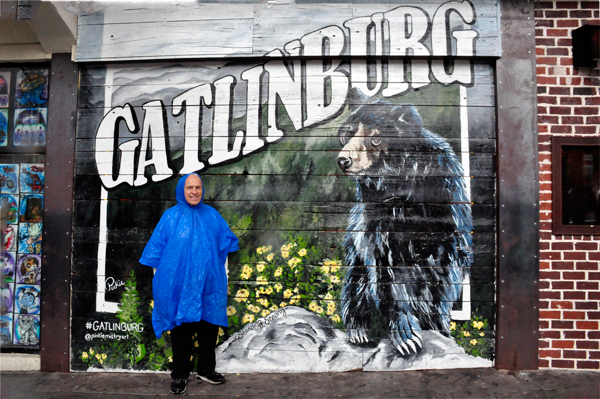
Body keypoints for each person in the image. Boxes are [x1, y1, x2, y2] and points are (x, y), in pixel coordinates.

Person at [139, 173, 239, 395]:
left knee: (208, 327)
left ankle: (206, 370)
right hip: (178, 286)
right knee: (181, 329)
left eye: (198, 187)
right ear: (181, 190)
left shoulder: (212, 216)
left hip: (209, 285)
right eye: (189, 188)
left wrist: (225, 275)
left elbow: (224, 248)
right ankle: (180, 375)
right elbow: (156, 252)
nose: (194, 191)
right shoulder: (170, 217)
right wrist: (163, 283)